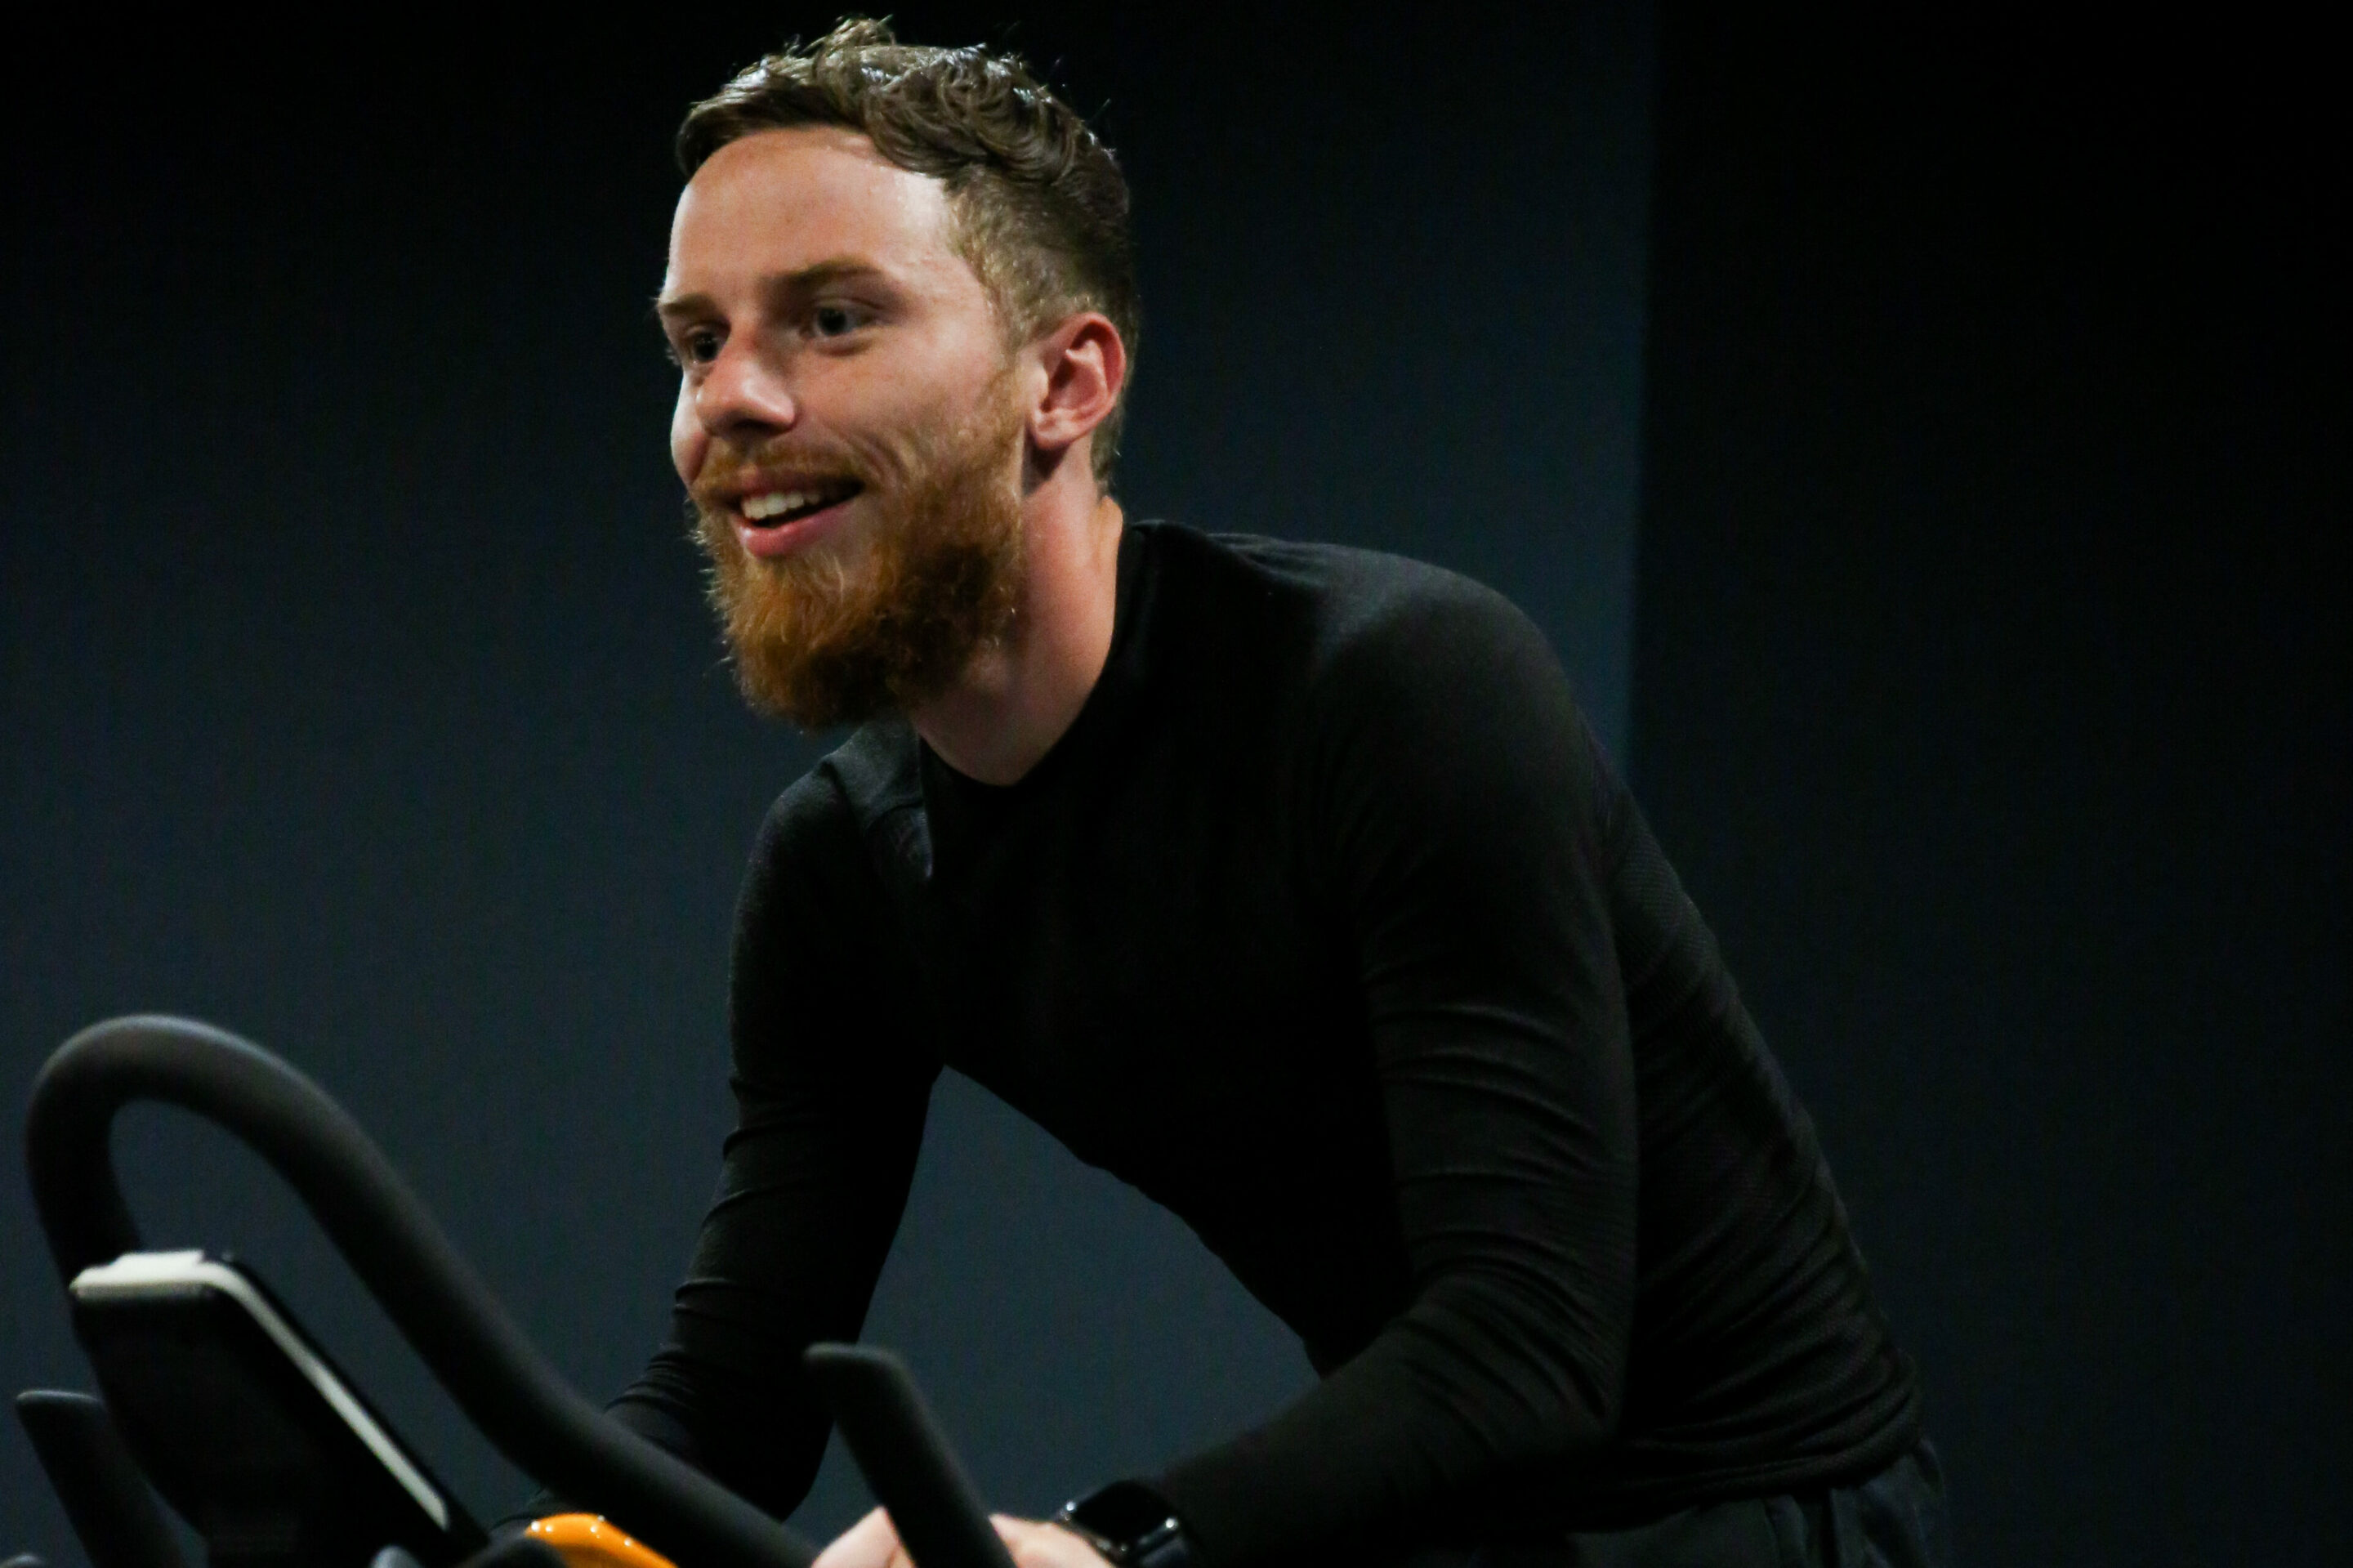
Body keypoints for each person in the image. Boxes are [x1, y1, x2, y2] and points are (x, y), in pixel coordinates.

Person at [578, 17, 1947, 1568]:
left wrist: (1112, 1550)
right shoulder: (849, 867)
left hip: (1762, 1512)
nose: (732, 403)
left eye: (831, 320)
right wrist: (532, 1544)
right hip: (1451, 1519)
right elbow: (733, 1405)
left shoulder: (1396, 689)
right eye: (698, 343)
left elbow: (1528, 1340)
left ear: (1066, 381)